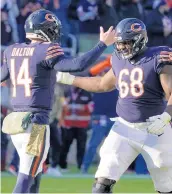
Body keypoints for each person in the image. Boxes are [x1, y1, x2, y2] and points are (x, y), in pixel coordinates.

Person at [0, 9, 115, 193]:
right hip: (36, 124)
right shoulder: (46, 50)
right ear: (44, 30)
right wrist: (102, 44)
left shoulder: (13, 50)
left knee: (34, 174)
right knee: (25, 178)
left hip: (16, 123)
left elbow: (3, 77)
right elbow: (77, 65)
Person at [57, 18, 172, 193]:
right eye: (119, 43)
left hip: (155, 129)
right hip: (124, 128)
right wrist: (69, 79)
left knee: (166, 186)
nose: (122, 47)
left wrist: (166, 116)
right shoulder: (118, 59)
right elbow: (102, 84)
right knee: (101, 184)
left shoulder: (159, 57)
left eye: (127, 42)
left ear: (140, 39)